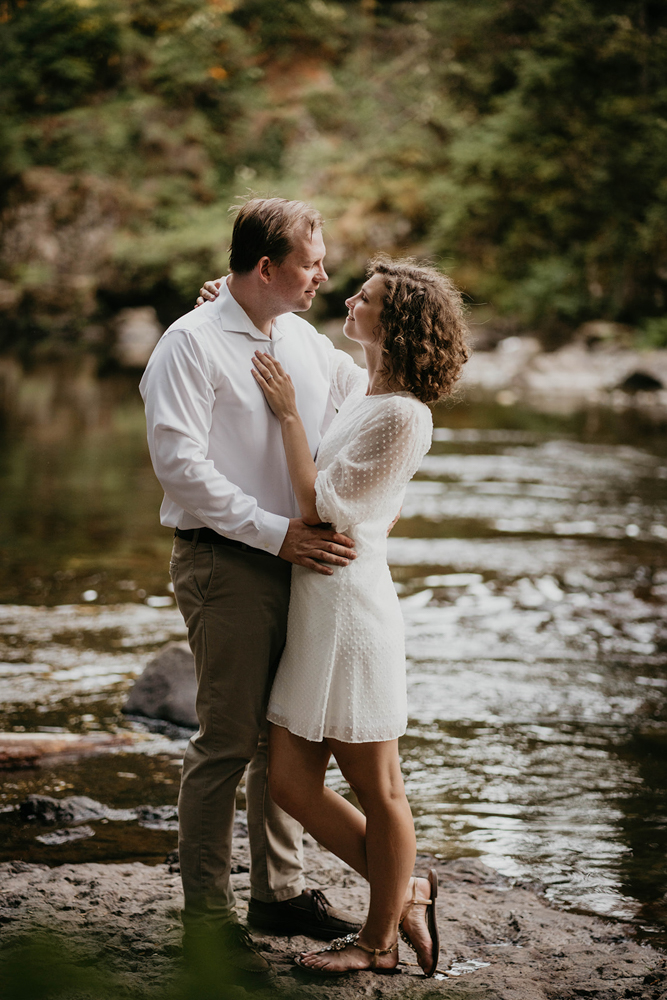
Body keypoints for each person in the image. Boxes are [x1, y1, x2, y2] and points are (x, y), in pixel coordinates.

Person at [139, 198, 366, 987]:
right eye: (312, 263)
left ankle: (279, 895)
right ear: (266, 267)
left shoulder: (300, 338)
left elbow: (365, 394)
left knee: (289, 738)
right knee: (226, 742)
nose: (323, 278)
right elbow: (181, 470)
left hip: (299, 565)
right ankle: (205, 919)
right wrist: (277, 533)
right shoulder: (189, 344)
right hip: (227, 565)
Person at [249, 256, 470, 977]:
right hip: (319, 602)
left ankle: (376, 945)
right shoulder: (366, 395)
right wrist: (239, 298)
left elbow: (325, 509)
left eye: (365, 297)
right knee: (289, 782)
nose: (349, 298)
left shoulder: (405, 415)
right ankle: (404, 890)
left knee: (380, 787)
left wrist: (285, 417)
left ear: (394, 321)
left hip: (349, 610)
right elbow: (311, 353)